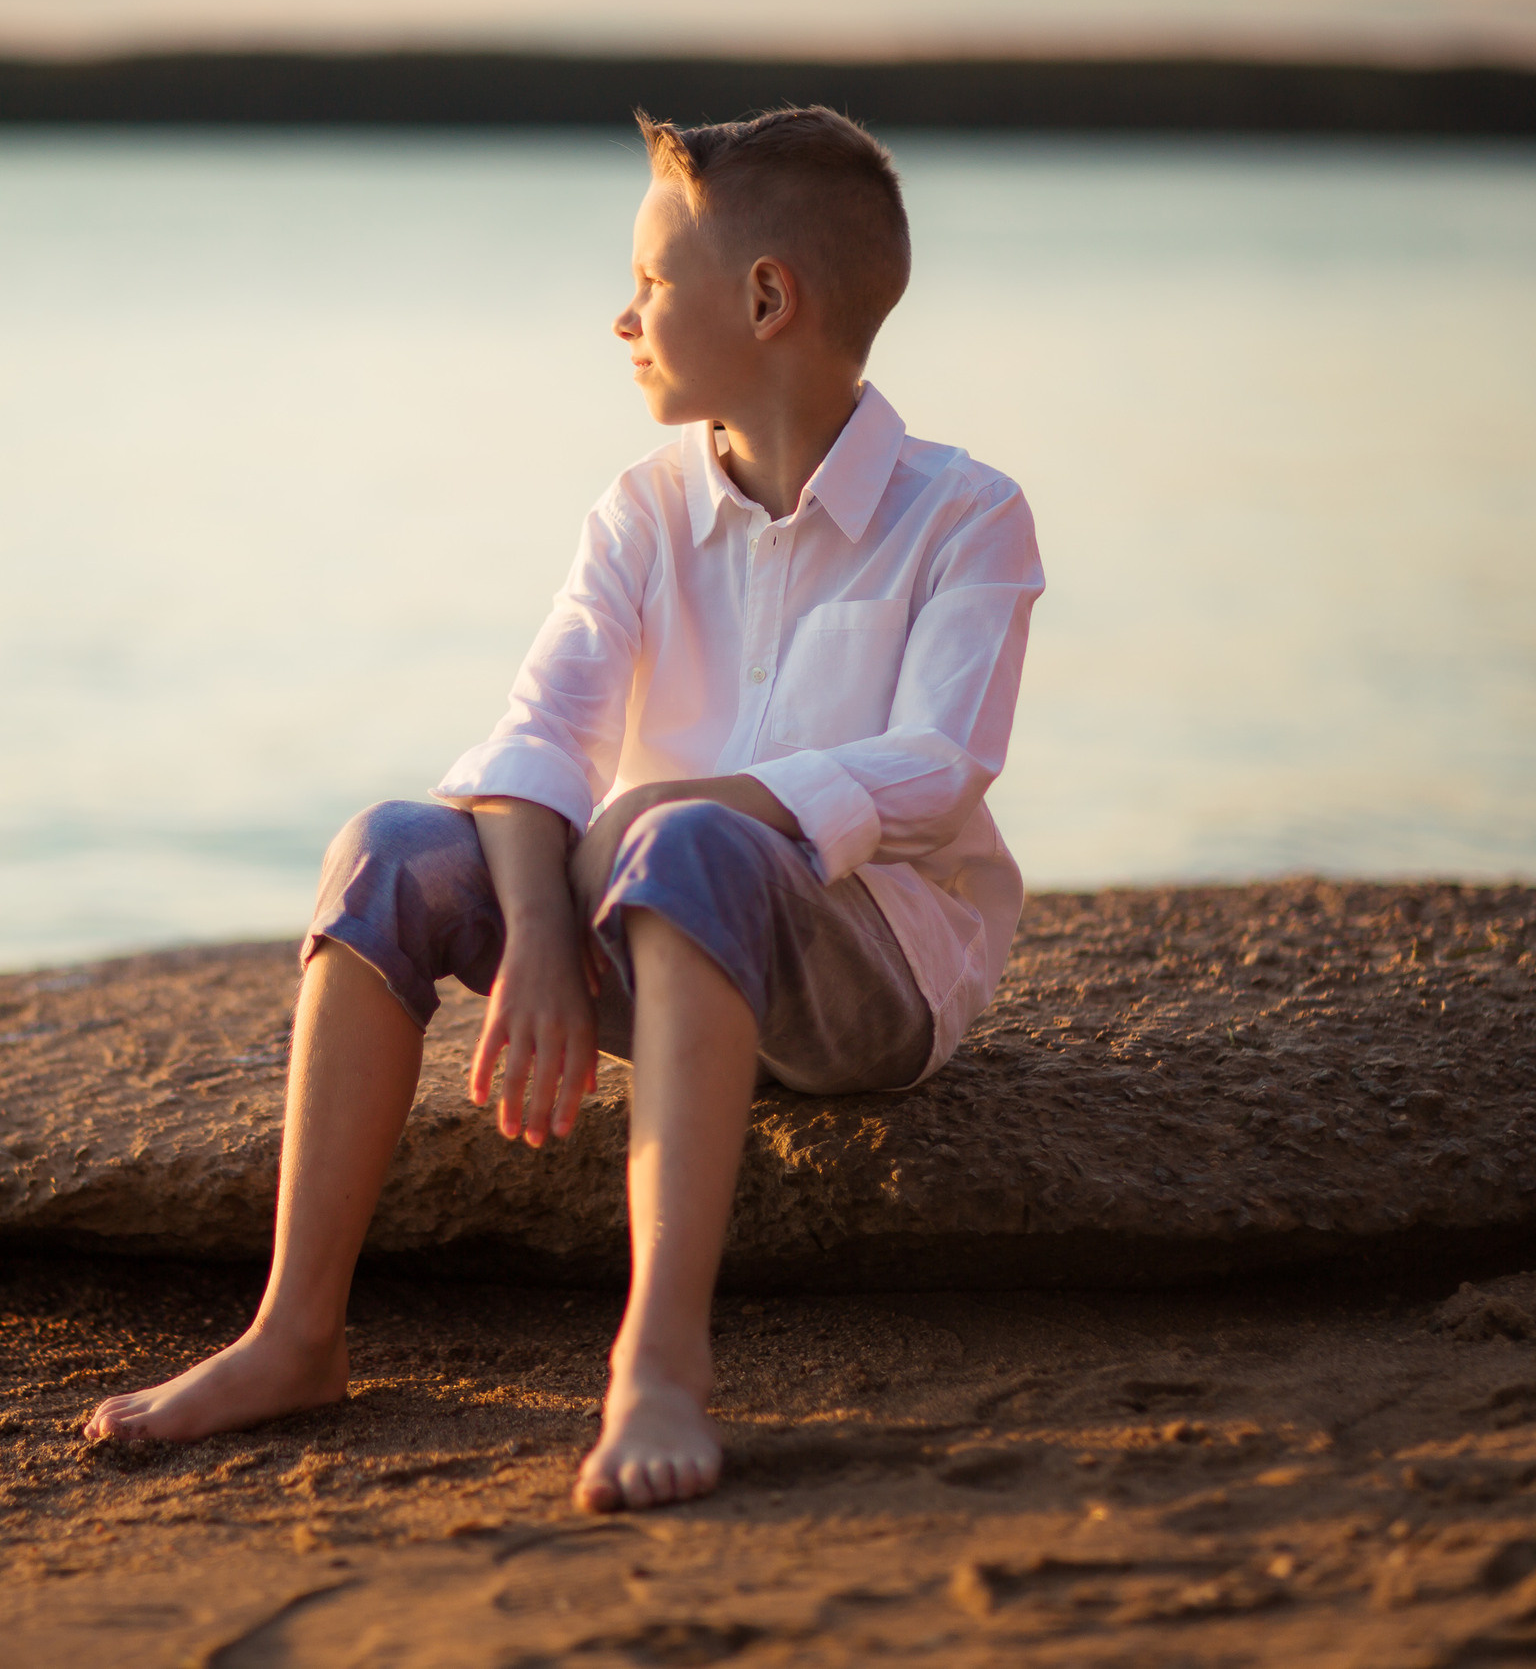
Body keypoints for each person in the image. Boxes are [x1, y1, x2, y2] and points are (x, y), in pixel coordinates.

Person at [87, 105, 1043, 1514]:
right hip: (649, 932)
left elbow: (938, 766)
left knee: (689, 836)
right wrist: (538, 933)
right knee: (394, 848)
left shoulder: (966, 514)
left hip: (870, 979)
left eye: (652, 282)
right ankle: (294, 1333)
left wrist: (666, 816)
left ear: (767, 298)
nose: (624, 315)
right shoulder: (642, 510)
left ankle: (660, 1367)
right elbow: (539, 734)